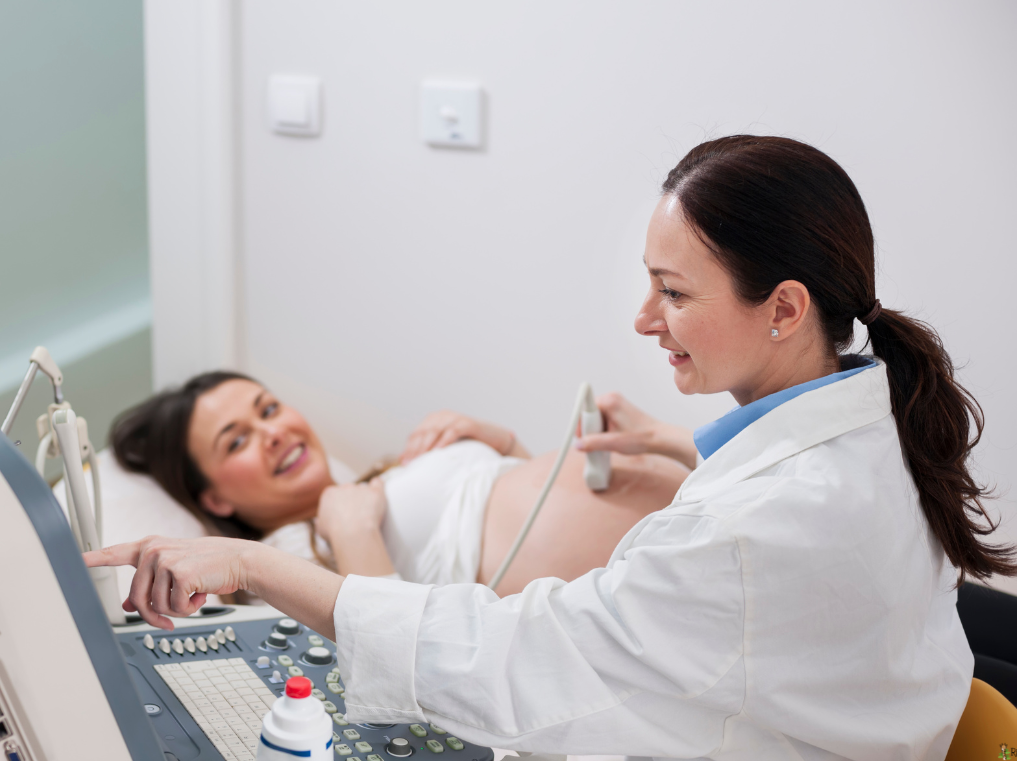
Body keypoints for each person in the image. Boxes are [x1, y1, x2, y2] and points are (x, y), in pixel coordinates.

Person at [87, 135, 1014, 759]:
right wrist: (279, 551)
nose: (644, 318)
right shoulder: (867, 411)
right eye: (236, 441)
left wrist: (256, 562)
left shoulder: (750, 528)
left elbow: (516, 659)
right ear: (213, 495)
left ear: (784, 308)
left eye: (674, 292)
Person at [107, 371, 690, 594]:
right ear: (214, 498)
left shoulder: (382, 474)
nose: (273, 434)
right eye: (236, 441)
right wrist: (352, 531)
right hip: (662, 576)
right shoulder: (283, 561)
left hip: (687, 513)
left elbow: (517, 511)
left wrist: (500, 442)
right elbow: (387, 646)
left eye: (269, 409)